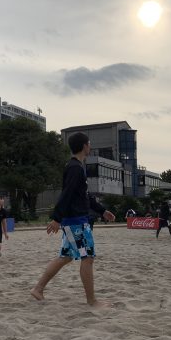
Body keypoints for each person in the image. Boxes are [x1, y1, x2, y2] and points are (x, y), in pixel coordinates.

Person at [30, 132, 115, 308]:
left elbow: (84, 196)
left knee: (66, 256)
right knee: (87, 258)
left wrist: (102, 211)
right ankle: (92, 301)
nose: (90, 146)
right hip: (76, 221)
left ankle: (38, 289)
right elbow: (67, 194)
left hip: (74, 220)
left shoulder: (76, 167)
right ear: (84, 146)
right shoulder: (75, 168)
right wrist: (56, 218)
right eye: (89, 143)